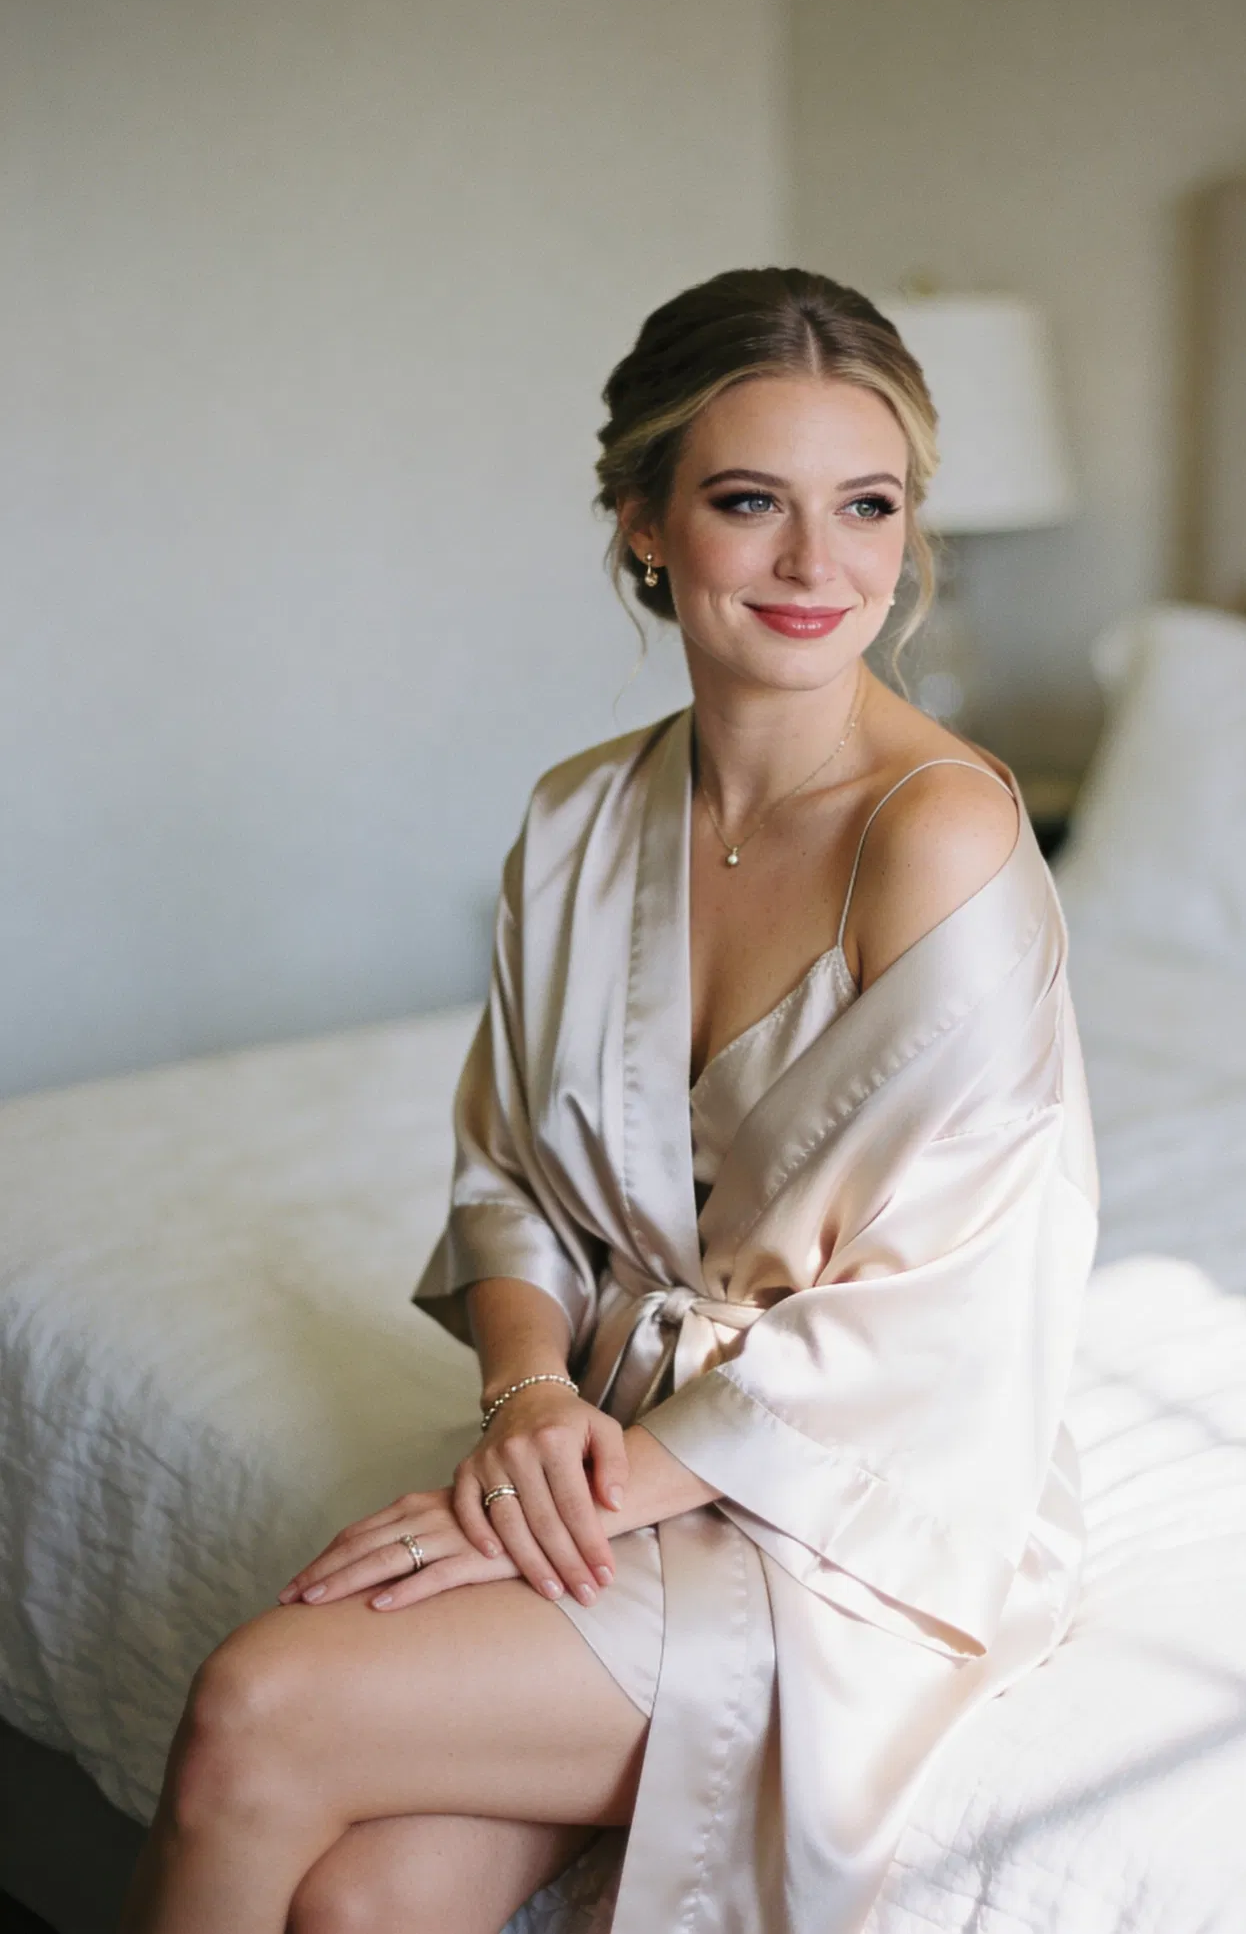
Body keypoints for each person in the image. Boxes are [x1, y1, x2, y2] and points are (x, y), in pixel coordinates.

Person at [120, 268, 1100, 1934]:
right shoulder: (579, 820)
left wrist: (585, 1497)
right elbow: (508, 1178)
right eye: (750, 503)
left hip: (853, 1499)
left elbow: (956, 1310)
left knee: (258, 1704)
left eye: (868, 506)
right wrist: (525, 1405)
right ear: (646, 520)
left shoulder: (941, 836)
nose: (819, 566)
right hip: (600, 1435)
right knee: (364, 1903)